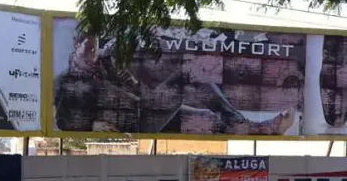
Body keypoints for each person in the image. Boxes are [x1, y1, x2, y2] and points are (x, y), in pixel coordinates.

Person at [54, 32, 298, 135]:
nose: (93, 53)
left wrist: (140, 88)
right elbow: (62, 120)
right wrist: (91, 125)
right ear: (76, 44)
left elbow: (134, 88)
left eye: (95, 47)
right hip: (134, 123)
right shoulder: (66, 80)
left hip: (146, 109)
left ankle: (262, 129)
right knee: (187, 78)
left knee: (204, 116)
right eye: (88, 48)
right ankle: (260, 127)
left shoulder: (106, 64)